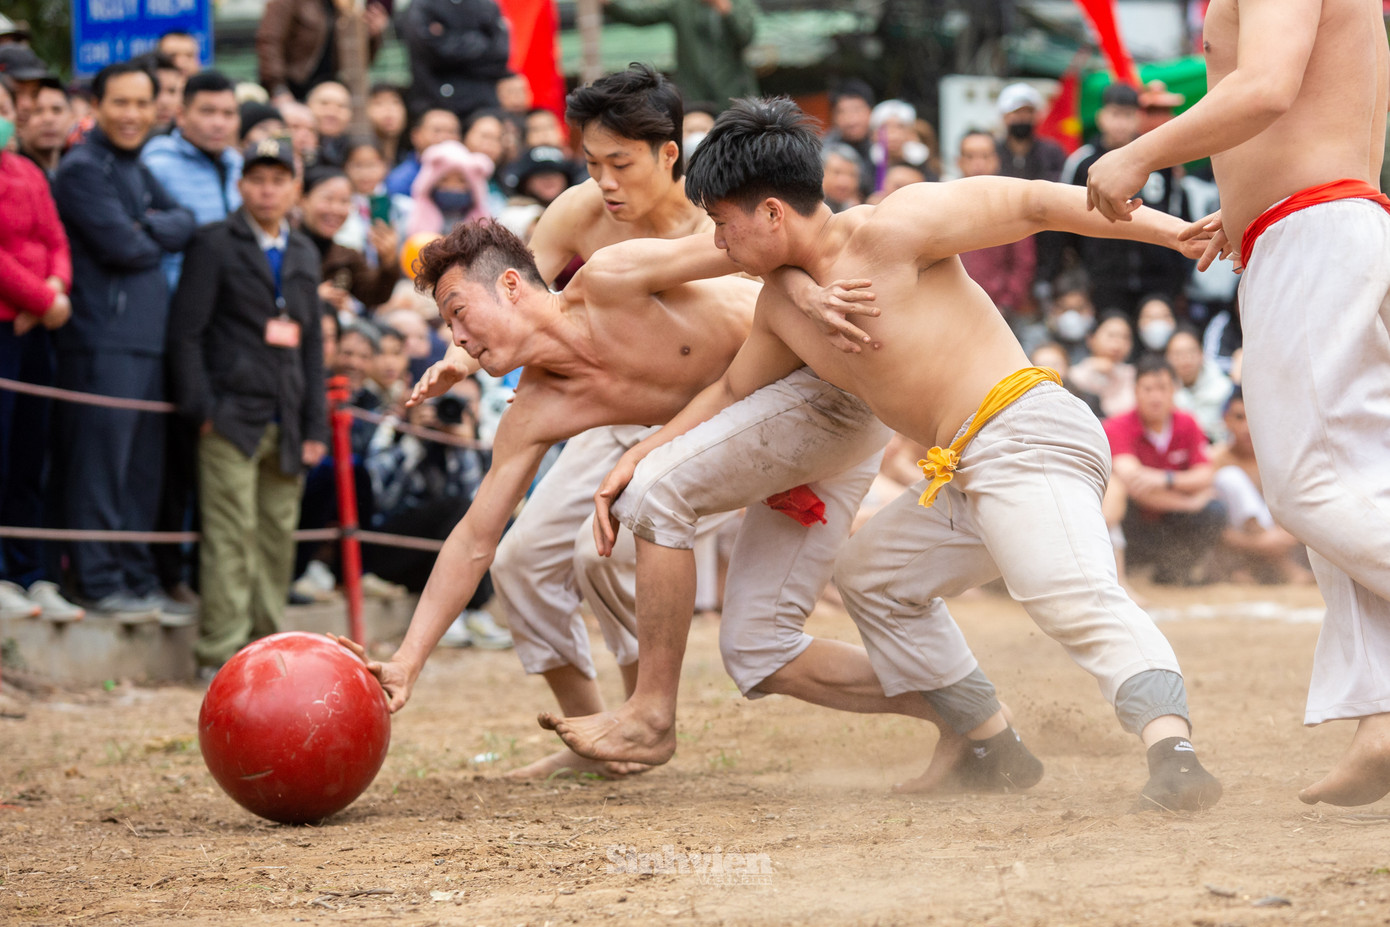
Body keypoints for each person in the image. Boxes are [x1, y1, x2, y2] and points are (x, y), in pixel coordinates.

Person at [544, 97, 1222, 811]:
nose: (718, 242)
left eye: (722, 222)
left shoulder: (897, 226)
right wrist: (641, 453)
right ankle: (990, 742)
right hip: (963, 468)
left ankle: (1173, 751)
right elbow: (731, 389)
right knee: (873, 575)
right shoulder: (782, 306)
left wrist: (1174, 233)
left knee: (1067, 593)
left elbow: (1034, 204)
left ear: (771, 213)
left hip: (1025, 430)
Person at [1083, 0, 1390, 807]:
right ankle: (1383, 720)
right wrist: (1253, 199)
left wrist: (1138, 152)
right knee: (1354, 490)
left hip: (1314, 231)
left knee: (1312, 487)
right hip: (1323, 219)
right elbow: (1343, 100)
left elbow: (1267, 87)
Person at [166, 138, 328, 675]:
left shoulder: (303, 251)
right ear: (240, 186)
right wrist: (202, 409)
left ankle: (267, 654)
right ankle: (222, 655)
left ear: (294, 188)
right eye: (257, 179)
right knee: (230, 535)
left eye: (278, 180)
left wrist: (315, 426)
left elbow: (311, 345)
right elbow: (186, 333)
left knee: (277, 537)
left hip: (289, 415)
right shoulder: (214, 242)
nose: (267, 190)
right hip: (231, 417)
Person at [51, 59, 196, 620]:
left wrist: (147, 226)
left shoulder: (135, 165)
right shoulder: (82, 168)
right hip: (101, 339)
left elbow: (184, 220)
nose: (132, 114)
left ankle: (136, 580)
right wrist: (151, 230)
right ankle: (97, 580)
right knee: (100, 467)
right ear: (96, 106)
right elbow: (123, 246)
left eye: (142, 103)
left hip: (148, 338)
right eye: (121, 102)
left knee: (140, 471)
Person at [0, 75, 83, 623]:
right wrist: (41, 297)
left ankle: (31, 571)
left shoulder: (28, 171)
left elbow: (56, 239)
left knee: (32, 454)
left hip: (37, 329)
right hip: (9, 324)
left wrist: (55, 290)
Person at [1104, 355, 1225, 586]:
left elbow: (1205, 474)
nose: (1155, 396)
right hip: (1136, 521)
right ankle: (1129, 571)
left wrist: (1164, 479)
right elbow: (1134, 484)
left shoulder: (1188, 423)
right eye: (1148, 389)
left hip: (1170, 519)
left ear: (1174, 390)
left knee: (1214, 511)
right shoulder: (1117, 426)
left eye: (1162, 388)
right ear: (1135, 391)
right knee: (1123, 498)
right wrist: (1189, 502)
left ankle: (1175, 570)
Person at [1208, 386, 1312, 585]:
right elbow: (1211, 525)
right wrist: (1257, 543)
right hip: (1238, 549)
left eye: (1252, 417)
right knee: (1230, 478)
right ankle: (1284, 569)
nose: (1246, 426)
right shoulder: (1213, 460)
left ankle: (1271, 568)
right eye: (1239, 417)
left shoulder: (1282, 459)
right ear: (1226, 420)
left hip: (1286, 542)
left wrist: (1281, 538)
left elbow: (1304, 508)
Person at [600, 0, 759, 106]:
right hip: (693, 92)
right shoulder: (681, 5)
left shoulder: (739, 3)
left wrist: (726, 10)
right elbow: (641, 15)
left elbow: (746, 36)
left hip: (733, 90)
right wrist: (611, 5)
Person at [956, 128, 1035, 326]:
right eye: (970, 156)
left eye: (985, 156)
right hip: (951, 308)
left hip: (1000, 311)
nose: (978, 163)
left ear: (996, 160)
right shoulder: (943, 204)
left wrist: (1006, 303)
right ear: (959, 161)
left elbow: (1023, 262)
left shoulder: (1012, 206)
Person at [398, 0, 511, 125]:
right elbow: (426, 50)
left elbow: (499, 55)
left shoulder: (487, 6)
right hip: (434, 102)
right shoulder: (422, 6)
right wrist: (478, 43)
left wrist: (448, 44)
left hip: (482, 105)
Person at [256, 0, 387, 103]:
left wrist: (372, 37)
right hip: (293, 90)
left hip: (328, 92)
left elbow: (358, 65)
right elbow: (270, 42)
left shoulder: (343, 8)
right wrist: (278, 89)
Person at [385, 108, 462, 198]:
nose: (445, 137)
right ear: (416, 135)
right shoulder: (401, 179)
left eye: (451, 131)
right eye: (437, 131)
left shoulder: (468, 174)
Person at [16, 77, 72, 180]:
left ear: (72, 116)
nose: (48, 119)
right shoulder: (13, 176)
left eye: (57, 110)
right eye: (37, 111)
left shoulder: (80, 169)